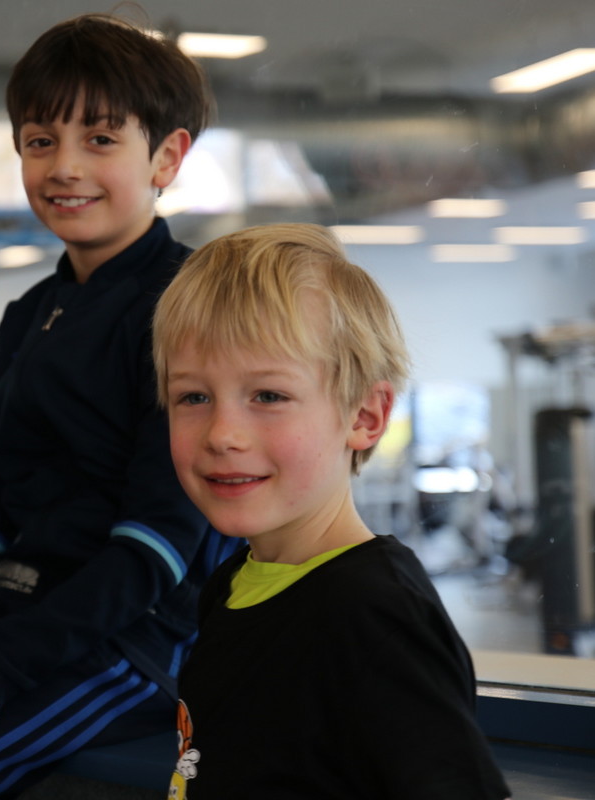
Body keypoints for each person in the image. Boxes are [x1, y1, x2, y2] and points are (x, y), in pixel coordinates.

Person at [0, 14, 236, 800]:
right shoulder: (28, 314)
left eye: (100, 139)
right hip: (20, 615)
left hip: (133, 641)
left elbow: (154, 552)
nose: (65, 167)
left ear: (167, 157)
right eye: (40, 140)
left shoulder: (188, 308)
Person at [152, 224, 512, 798]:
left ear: (365, 416)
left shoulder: (375, 615)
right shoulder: (230, 584)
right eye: (193, 397)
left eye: (268, 396)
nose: (222, 434)